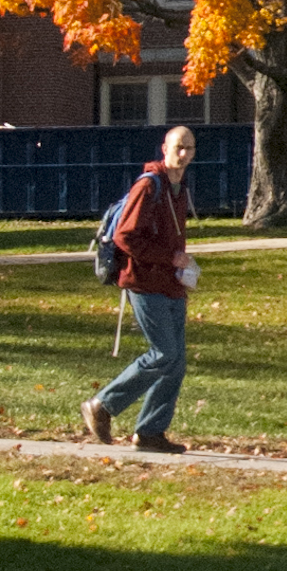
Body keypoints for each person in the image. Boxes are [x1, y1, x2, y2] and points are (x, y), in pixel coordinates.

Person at [82, 125, 200, 453]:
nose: (184, 154)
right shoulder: (150, 186)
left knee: (175, 362)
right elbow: (125, 236)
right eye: (179, 147)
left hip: (171, 284)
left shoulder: (179, 187)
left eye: (189, 148)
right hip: (143, 280)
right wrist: (169, 257)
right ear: (165, 148)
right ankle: (102, 405)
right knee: (164, 352)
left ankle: (150, 432)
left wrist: (180, 266)